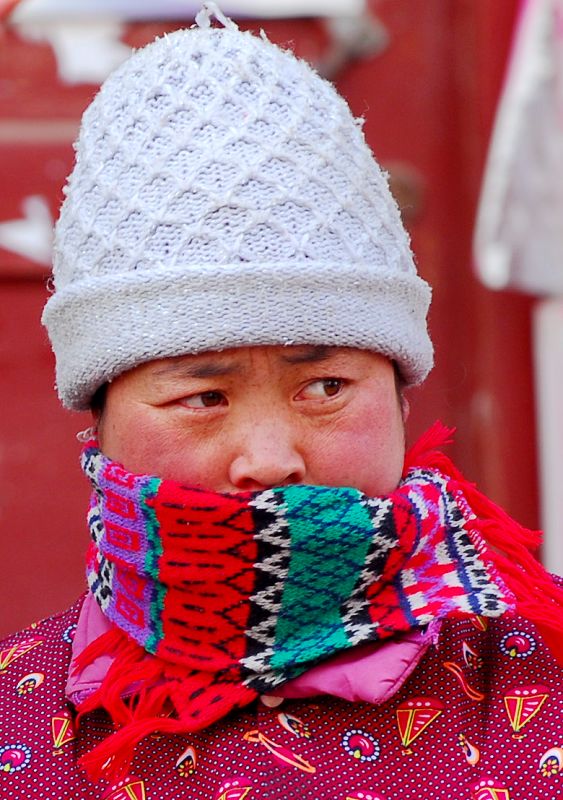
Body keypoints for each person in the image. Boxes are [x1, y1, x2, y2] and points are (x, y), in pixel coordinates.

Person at [1, 4, 562, 799]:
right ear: (99, 422)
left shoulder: (537, 680)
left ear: (403, 396)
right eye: (202, 395)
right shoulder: (18, 723)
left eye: (325, 388)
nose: (270, 458)